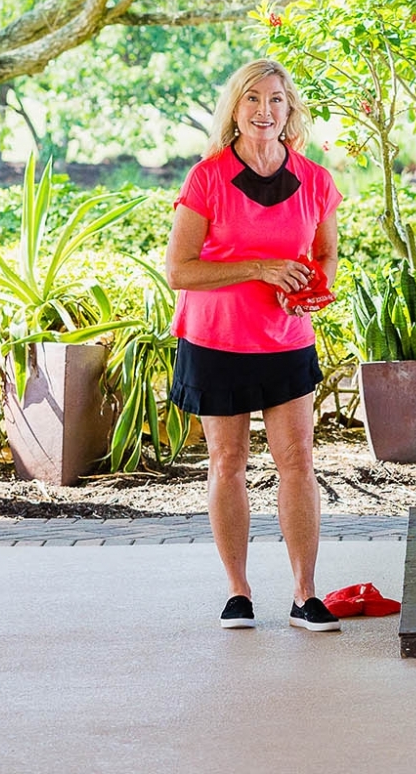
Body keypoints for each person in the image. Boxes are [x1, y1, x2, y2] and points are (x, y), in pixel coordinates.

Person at [165, 58, 343, 633]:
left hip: (286, 340)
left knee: (298, 462)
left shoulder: (315, 180)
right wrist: (260, 269)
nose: (265, 111)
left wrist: (317, 288)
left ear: (290, 111)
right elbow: (180, 271)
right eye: (253, 100)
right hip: (216, 341)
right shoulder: (208, 178)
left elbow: (325, 256)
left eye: (276, 100)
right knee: (228, 462)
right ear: (235, 111)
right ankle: (238, 593)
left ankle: (304, 594)